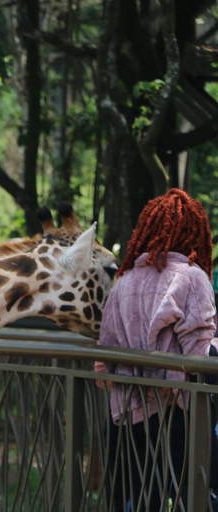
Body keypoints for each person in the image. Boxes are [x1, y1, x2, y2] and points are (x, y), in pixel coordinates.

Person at [96, 189, 218, 512]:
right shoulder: (192, 278)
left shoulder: (124, 280)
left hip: (125, 415)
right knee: (194, 495)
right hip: (178, 416)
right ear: (195, 233)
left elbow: (104, 352)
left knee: (136, 500)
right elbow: (199, 356)